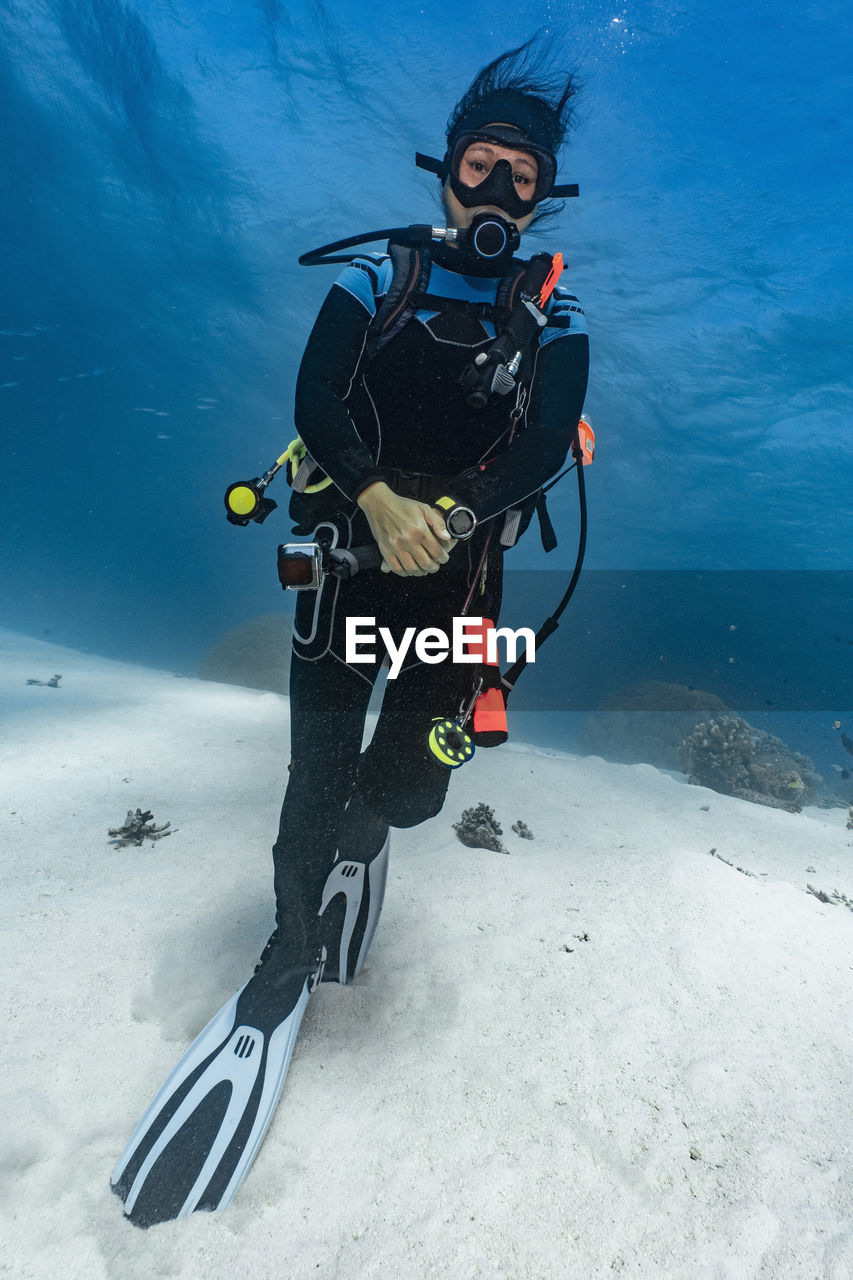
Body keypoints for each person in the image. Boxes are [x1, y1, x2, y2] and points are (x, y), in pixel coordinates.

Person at [111, 39, 589, 1226]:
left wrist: (455, 515)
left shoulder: (554, 311)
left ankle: (375, 830)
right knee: (309, 778)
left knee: (415, 788)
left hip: (460, 585)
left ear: (542, 197)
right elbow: (314, 397)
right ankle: (281, 957)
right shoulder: (379, 276)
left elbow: (543, 447)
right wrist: (376, 496)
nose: (495, 192)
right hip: (345, 566)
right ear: (445, 174)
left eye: (519, 178)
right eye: (480, 165)